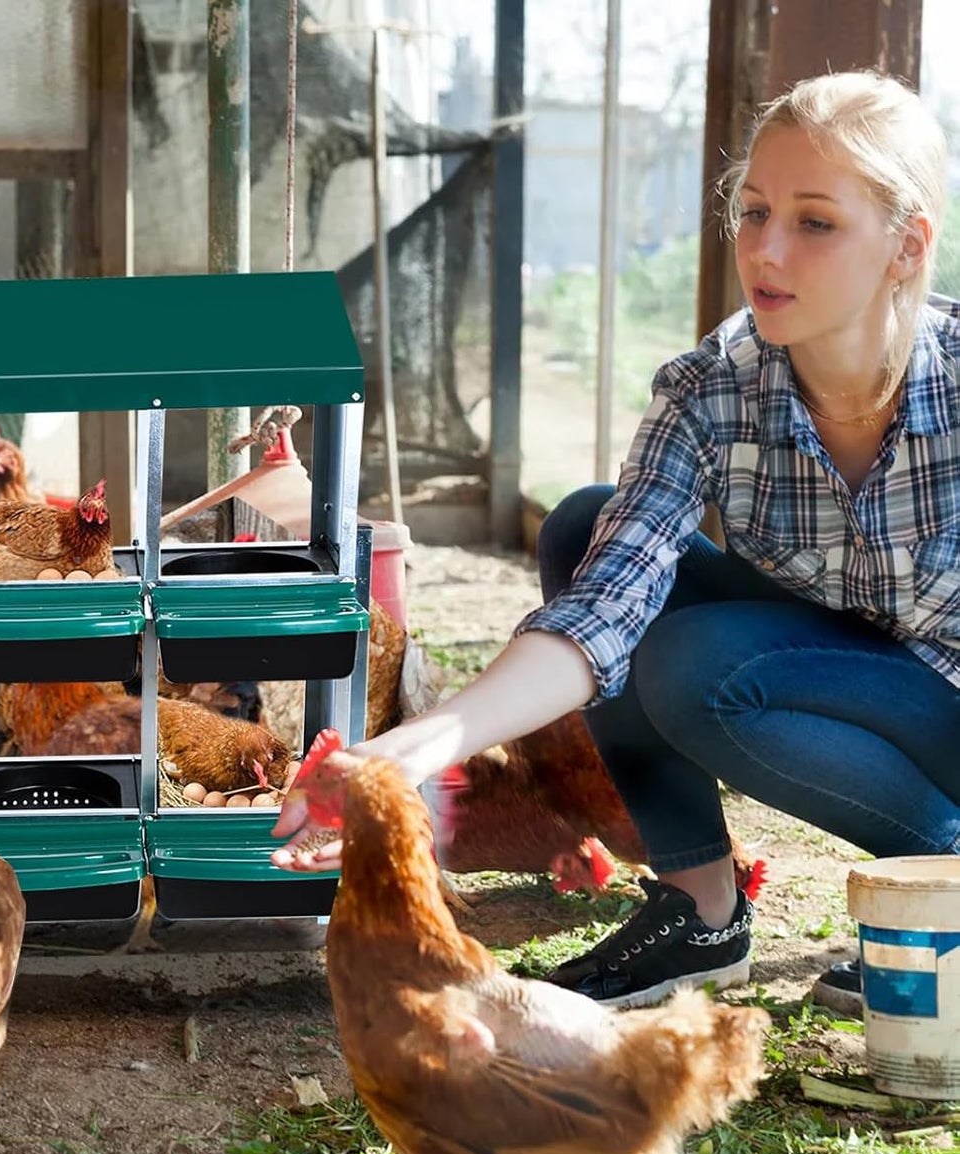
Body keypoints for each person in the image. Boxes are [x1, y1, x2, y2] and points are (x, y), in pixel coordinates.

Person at [272, 70, 960, 1014]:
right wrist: (406, 752)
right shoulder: (713, 387)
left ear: (905, 244)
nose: (764, 248)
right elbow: (603, 611)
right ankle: (697, 907)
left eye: (814, 221)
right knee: (583, 527)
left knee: (695, 662)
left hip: (945, 702)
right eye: (752, 210)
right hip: (829, 656)